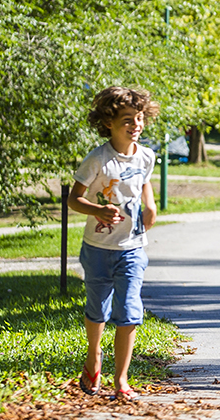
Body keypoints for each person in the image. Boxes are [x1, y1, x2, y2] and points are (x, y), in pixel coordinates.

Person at [68, 86, 160, 402]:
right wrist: (98, 209)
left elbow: (144, 183)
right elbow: (73, 199)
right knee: (98, 309)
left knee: (130, 310)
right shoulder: (98, 159)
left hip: (132, 248)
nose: (135, 125)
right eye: (127, 119)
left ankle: (121, 380)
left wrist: (151, 206)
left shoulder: (147, 156)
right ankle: (94, 357)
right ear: (109, 122)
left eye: (139, 118)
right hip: (96, 248)